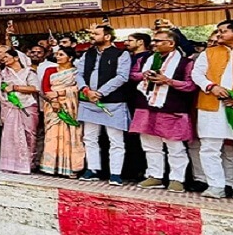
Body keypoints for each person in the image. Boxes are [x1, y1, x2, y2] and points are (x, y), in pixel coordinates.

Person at [191, 19, 233, 202]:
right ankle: (215, 186)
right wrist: (211, 87)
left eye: (223, 31)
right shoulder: (208, 53)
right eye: (218, 31)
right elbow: (196, 74)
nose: (219, 34)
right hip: (212, 104)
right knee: (209, 147)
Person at [129, 29, 197, 192]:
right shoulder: (147, 59)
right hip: (146, 106)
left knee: (175, 146)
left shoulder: (185, 63)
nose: (154, 43)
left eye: (159, 41)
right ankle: (155, 176)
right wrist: (143, 74)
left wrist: (168, 81)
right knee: (150, 144)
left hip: (171, 108)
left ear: (171, 43)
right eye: (154, 40)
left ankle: (177, 179)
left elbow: (191, 86)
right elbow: (132, 75)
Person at [76, 24, 132, 186]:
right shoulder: (88, 53)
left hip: (112, 102)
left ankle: (115, 173)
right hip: (88, 101)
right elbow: (78, 74)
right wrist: (86, 90)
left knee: (115, 140)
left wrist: (100, 93)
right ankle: (92, 169)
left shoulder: (122, 54)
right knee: (89, 138)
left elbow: (122, 77)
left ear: (107, 37)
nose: (92, 36)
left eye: (96, 33)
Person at [39, 46, 85, 178]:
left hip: (70, 107)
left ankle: (71, 168)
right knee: (52, 134)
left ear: (70, 58)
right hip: (53, 107)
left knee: (71, 135)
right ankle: (51, 166)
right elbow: (46, 88)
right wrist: (54, 100)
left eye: (61, 54)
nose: (57, 57)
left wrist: (62, 93)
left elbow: (77, 88)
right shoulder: (50, 70)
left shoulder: (76, 73)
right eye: (57, 55)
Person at [0, 48, 39, 174]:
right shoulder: (3, 73)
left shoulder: (29, 72)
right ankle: (11, 164)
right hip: (10, 107)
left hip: (27, 105)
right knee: (10, 135)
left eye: (6, 57)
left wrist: (15, 87)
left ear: (16, 58)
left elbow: (35, 88)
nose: (4, 60)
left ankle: (29, 163)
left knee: (29, 134)